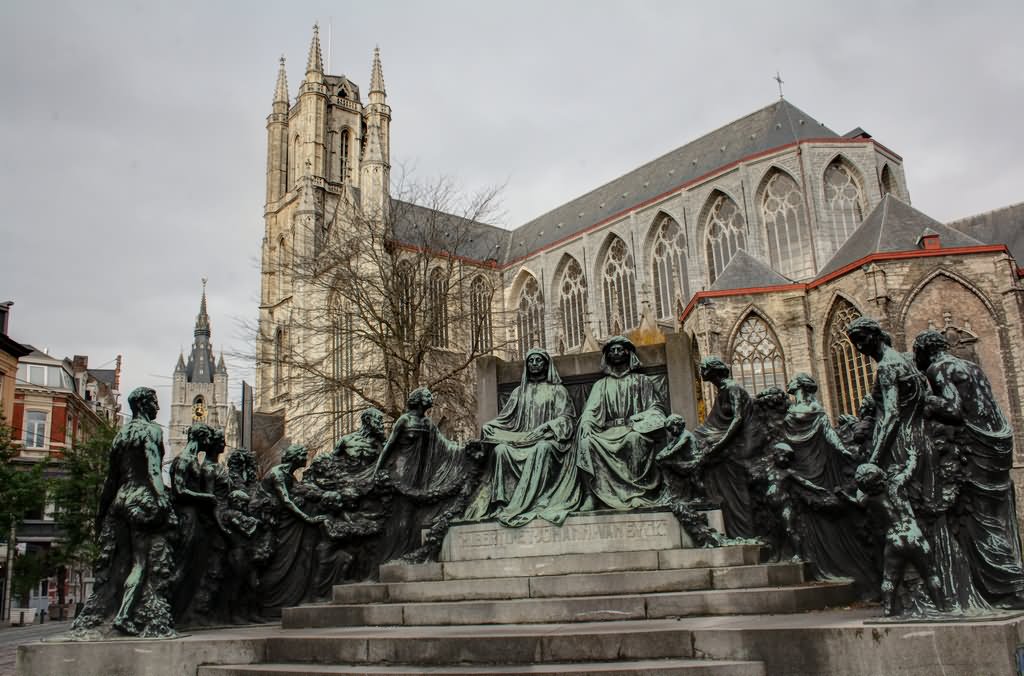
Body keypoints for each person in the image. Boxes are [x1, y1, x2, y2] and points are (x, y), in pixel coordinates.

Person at [847, 317, 988, 616]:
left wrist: (874, 459)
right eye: (854, 343)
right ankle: (949, 589)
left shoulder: (887, 366)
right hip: (921, 440)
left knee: (914, 511)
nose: (859, 348)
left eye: (861, 340)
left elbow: (891, 416)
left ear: (875, 336)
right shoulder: (907, 361)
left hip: (902, 442)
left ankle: (925, 599)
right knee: (927, 511)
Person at [913, 329, 1024, 607]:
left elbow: (953, 409)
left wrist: (921, 400)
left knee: (979, 520)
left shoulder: (939, 368)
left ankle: (1005, 585)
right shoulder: (971, 366)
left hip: (975, 445)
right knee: (997, 514)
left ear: (924, 352)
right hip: (997, 440)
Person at [71, 387, 176, 638]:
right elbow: (153, 470)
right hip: (141, 499)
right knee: (141, 563)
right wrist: (163, 499)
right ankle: (124, 616)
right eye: (153, 402)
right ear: (142, 405)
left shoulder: (121, 435)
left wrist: (102, 512)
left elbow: (111, 480)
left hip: (120, 500)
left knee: (119, 562)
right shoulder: (151, 431)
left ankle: (106, 610)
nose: (157, 408)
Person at [542, 336, 667, 523]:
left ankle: (635, 493)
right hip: (607, 432)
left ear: (628, 353)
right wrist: (586, 424)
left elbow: (656, 408)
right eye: (612, 350)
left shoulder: (642, 381)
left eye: (620, 349)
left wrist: (641, 419)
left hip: (632, 429)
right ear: (607, 356)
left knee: (634, 440)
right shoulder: (601, 385)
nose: (616, 353)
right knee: (586, 442)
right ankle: (592, 495)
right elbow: (590, 412)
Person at [464, 348, 575, 526]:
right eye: (531, 361)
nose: (534, 364)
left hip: (546, 439)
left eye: (538, 360)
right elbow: (505, 419)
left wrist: (547, 427)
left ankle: (540, 499)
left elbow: (567, 418)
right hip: (521, 439)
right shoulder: (518, 392)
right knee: (500, 450)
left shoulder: (558, 390)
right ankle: (502, 503)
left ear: (546, 365)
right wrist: (489, 427)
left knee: (543, 449)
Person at [375, 387, 474, 562]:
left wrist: (465, 450)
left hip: (419, 471)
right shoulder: (403, 421)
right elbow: (389, 446)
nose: (431, 398)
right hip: (401, 471)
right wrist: (377, 471)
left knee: (413, 514)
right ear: (418, 399)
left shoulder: (427, 423)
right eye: (427, 395)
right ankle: (395, 552)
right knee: (402, 513)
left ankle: (408, 550)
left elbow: (444, 446)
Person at [841, 463, 948, 617]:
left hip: (894, 538)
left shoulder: (869, 499)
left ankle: (888, 611)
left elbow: (859, 501)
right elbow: (910, 470)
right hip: (913, 535)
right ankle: (941, 607)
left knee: (890, 578)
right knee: (930, 574)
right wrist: (912, 458)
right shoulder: (896, 484)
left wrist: (852, 492)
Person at [253, 444, 325, 611]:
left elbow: (299, 492)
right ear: (296, 458)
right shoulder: (278, 473)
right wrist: (308, 518)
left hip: (279, 516)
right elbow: (286, 501)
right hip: (267, 518)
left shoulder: (290, 476)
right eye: (304, 455)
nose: (306, 458)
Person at [690, 357, 756, 538]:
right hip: (726, 443)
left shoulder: (733, 389)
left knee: (734, 493)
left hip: (737, 447)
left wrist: (719, 444)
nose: (701, 371)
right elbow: (714, 424)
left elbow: (738, 419)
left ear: (713, 370)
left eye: (703, 368)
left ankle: (743, 534)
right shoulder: (722, 391)